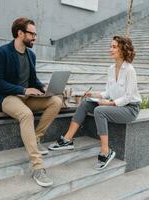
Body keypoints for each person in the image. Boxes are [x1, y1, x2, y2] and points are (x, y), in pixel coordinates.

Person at [0, 17, 62, 187]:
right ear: (20, 33)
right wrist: (23, 90)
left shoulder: (31, 55)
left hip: (26, 97)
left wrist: (45, 88)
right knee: (26, 114)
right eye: (32, 34)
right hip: (5, 97)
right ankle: (37, 167)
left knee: (56, 101)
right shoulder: (1, 53)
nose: (35, 37)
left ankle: (36, 138)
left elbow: (33, 80)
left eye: (35, 34)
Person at [48, 35, 141, 170]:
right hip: (115, 105)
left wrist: (109, 104)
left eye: (114, 47)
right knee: (85, 103)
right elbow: (108, 92)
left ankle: (106, 151)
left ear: (123, 50)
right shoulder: (111, 69)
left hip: (130, 109)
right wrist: (94, 95)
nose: (110, 49)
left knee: (99, 111)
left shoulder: (130, 70)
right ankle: (67, 140)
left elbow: (128, 97)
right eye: (110, 46)